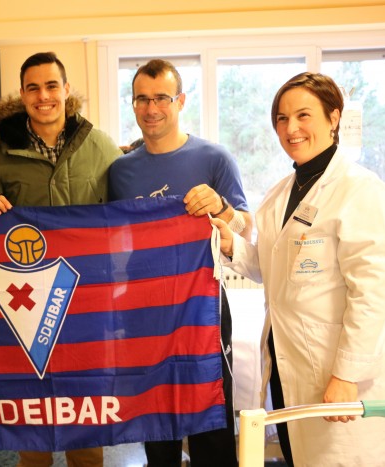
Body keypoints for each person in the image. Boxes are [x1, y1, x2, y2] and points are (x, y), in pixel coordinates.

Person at [212, 72, 385, 466]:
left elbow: (372, 296)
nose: (291, 128)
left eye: (303, 115)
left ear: (334, 118)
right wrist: (233, 245)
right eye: (282, 119)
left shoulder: (361, 192)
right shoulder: (281, 193)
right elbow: (273, 268)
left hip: (336, 371)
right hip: (287, 363)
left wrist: (347, 376)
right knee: (299, 456)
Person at [0, 51, 123, 467]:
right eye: (33, 88)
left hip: (88, 303)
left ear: (66, 90)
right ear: (22, 94)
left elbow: (127, 216)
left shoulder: (101, 146)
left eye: (52, 85)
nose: (43, 96)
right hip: (26, 308)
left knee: (86, 415)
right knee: (30, 415)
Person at [108, 59, 250, 467]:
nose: (151, 108)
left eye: (162, 98)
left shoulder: (214, 158)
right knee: (156, 426)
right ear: (133, 104)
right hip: (143, 309)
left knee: (212, 423)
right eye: (142, 99)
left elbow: (247, 231)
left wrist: (221, 208)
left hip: (201, 305)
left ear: (181, 101)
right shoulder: (119, 170)